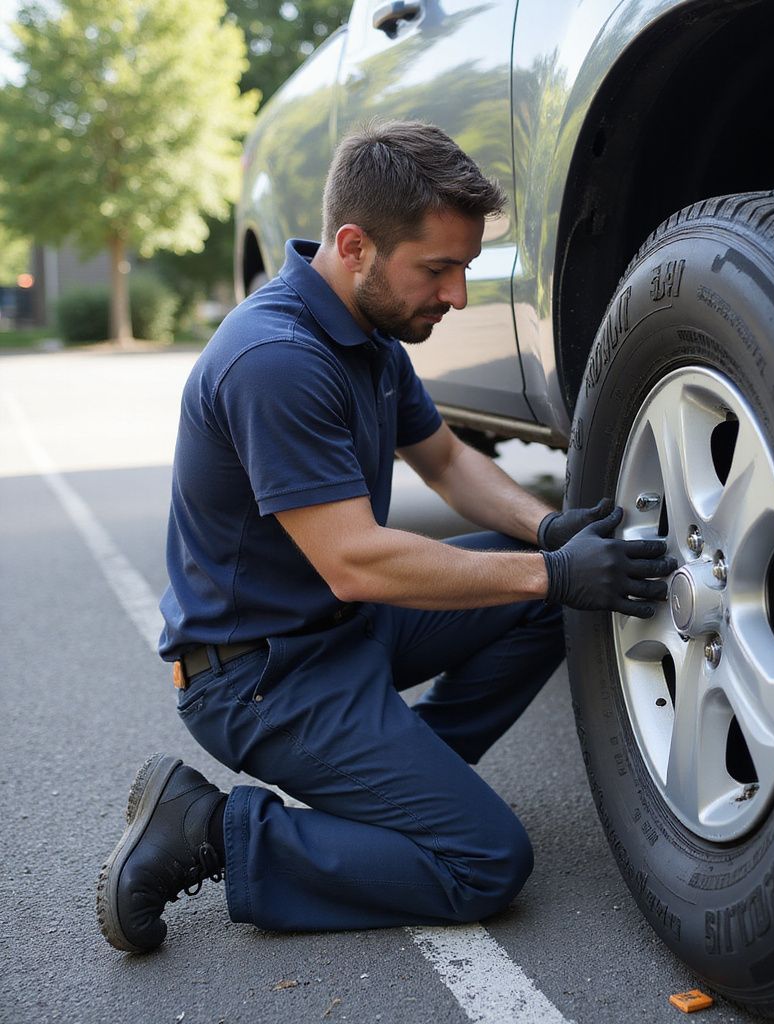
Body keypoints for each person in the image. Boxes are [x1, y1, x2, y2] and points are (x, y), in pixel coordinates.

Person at [96, 121, 676, 953]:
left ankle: (398, 787)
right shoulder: (277, 359)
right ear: (354, 244)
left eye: (464, 268)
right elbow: (355, 560)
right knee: (484, 863)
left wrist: (548, 529)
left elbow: (445, 460)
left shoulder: (366, 327)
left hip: (341, 635)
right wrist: (550, 571)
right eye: (438, 269)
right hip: (262, 677)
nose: (457, 295)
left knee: (559, 593)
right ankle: (213, 828)